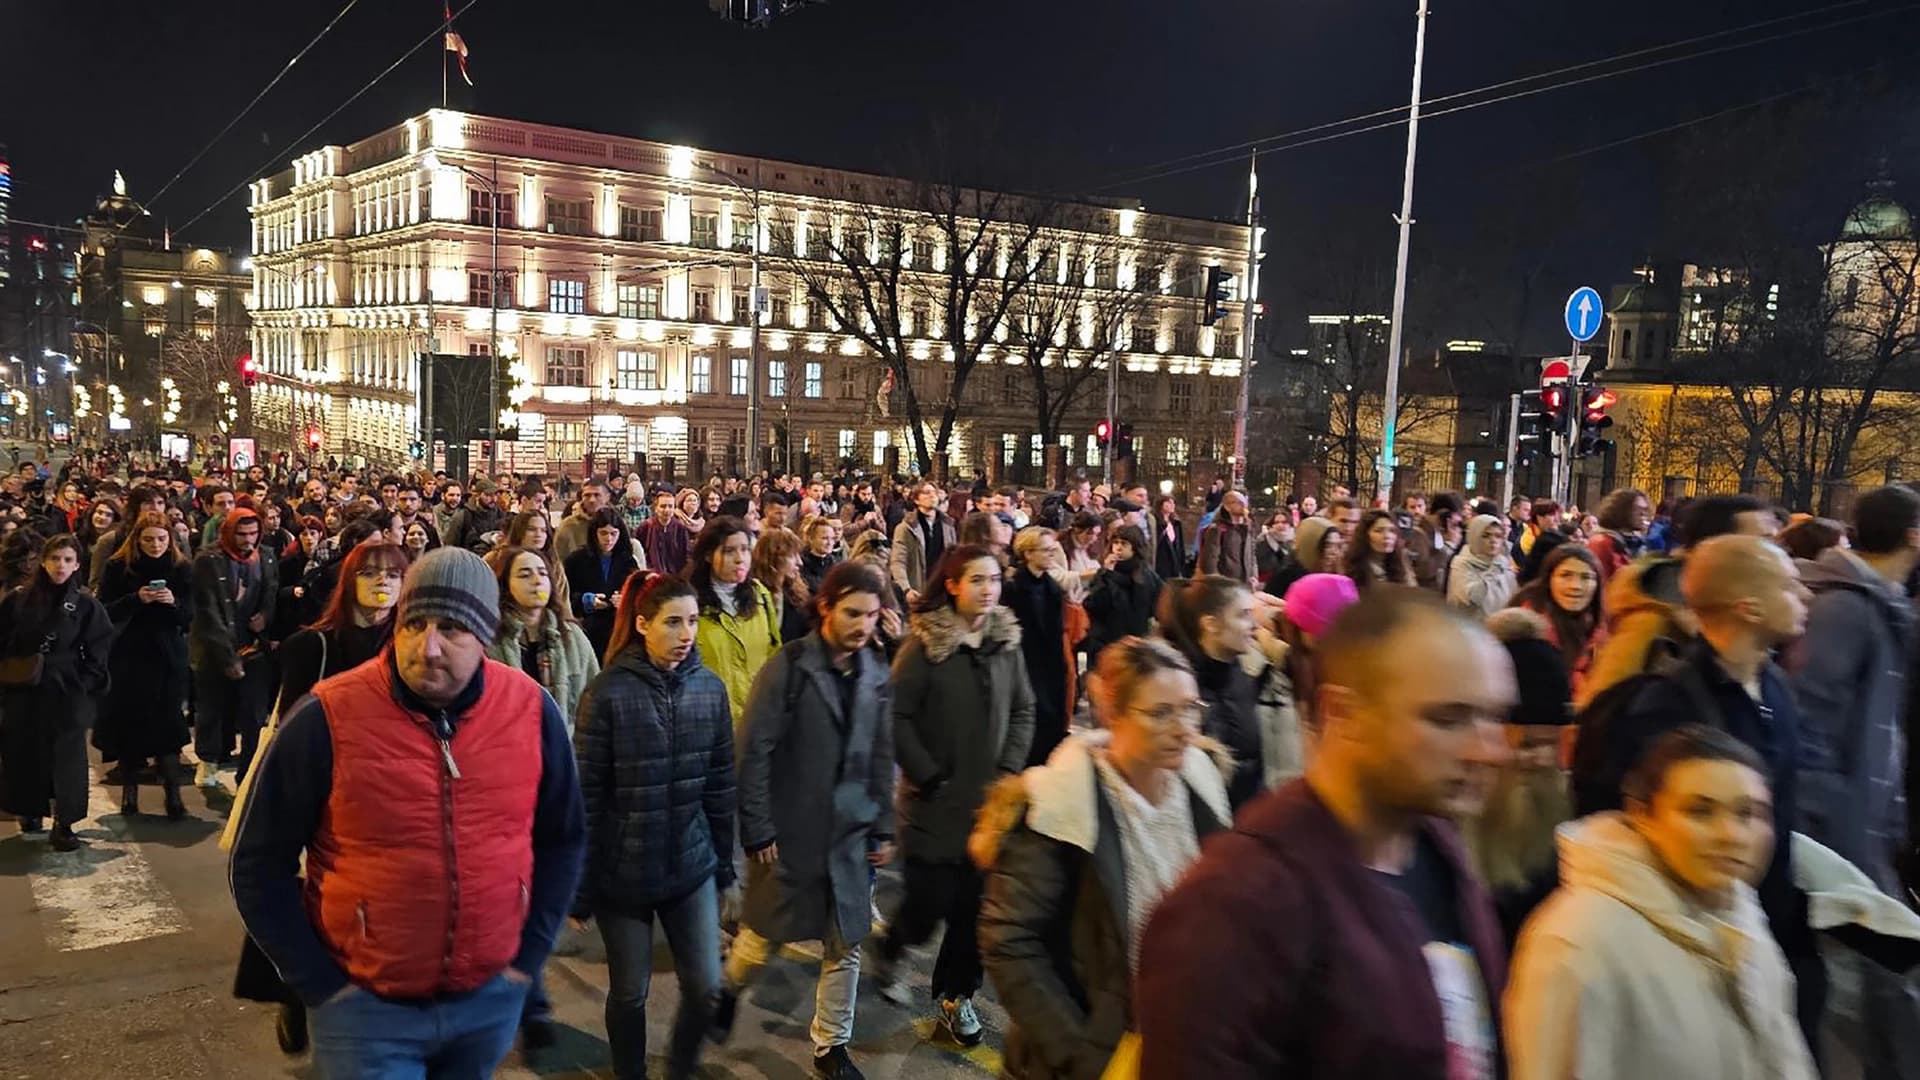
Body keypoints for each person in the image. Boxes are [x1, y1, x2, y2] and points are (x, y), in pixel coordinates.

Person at [229, 547, 586, 1079]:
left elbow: (563, 839)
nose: (428, 647)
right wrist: (319, 983)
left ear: (486, 636)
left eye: (452, 629)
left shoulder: (531, 710)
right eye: (414, 623)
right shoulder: (327, 715)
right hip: (366, 1011)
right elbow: (257, 862)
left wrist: (526, 960)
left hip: (486, 1001)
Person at [1134, 587, 1514, 1079]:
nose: (1489, 750)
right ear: (1343, 713)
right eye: (1448, 718)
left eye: (1494, 717)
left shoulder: (1438, 847)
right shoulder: (1237, 903)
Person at [1573, 534, 1824, 1046]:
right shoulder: (1669, 709)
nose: (1806, 596)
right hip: (1705, 949)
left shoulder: (1775, 688)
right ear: (1749, 607)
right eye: (1791, 585)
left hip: (1772, 939)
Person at [974, 636, 1232, 1080]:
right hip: (1094, 1054)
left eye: (1191, 708)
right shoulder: (1060, 807)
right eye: (1161, 713)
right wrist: (1081, 1054)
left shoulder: (1202, 790)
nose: (1184, 728)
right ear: (1114, 712)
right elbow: (1010, 942)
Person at [1505, 725, 1815, 1080]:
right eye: (1700, 812)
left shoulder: (1742, 918)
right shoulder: (1580, 940)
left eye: (1748, 814)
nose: (1731, 835)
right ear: (1643, 815)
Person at [717, 563, 896, 1080]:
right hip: (791, 833)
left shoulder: (875, 671)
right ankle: (728, 987)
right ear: (826, 609)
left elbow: (883, 754)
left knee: (847, 941)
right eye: (852, 613)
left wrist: (883, 822)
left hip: (850, 836)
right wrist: (757, 829)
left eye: (871, 614)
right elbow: (753, 753)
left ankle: (831, 1046)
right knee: (764, 934)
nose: (863, 625)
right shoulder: (789, 668)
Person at [233, 537, 406, 1056]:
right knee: (307, 894)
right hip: (321, 787)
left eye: (393, 575)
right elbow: (291, 727)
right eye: (371, 574)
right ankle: (293, 988)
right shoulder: (314, 645)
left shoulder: (409, 644)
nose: (382, 584)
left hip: (387, 788)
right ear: (348, 581)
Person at [872, 545, 1034, 1048]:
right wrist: (927, 773)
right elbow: (894, 716)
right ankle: (895, 943)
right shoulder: (925, 646)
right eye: (978, 580)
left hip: (990, 809)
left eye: (994, 580)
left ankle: (955, 995)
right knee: (929, 904)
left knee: (974, 913)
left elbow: (1025, 708)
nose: (989, 590)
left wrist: (1009, 769)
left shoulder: (1006, 641)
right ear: (953, 585)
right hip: (934, 806)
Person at [574, 573, 734, 1080]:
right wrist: (580, 886)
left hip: (691, 866)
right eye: (672, 622)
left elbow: (720, 785)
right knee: (629, 992)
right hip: (624, 876)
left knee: (707, 986)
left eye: (692, 621)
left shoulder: (710, 691)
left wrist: (724, 864)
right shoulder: (608, 694)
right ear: (642, 624)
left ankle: (681, 1068)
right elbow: (586, 798)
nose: (686, 633)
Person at [1785, 485, 1920, 1076]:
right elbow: (1810, 722)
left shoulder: (1881, 602)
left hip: (1866, 825)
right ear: (1913, 535)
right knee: (1883, 977)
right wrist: (1844, 824)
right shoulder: (1847, 607)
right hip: (1845, 833)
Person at [1465, 608, 1575, 946]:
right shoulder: (1448, 822)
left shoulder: (1574, 816)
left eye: (1549, 744)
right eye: (1526, 744)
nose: (1539, 759)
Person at [0, 535, 114, 850]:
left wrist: (86, 683)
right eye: (54, 559)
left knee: (68, 759)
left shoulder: (85, 604)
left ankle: (65, 822)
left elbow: (99, 648)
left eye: (67, 560)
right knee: (25, 753)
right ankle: (30, 809)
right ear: (43, 562)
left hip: (67, 690)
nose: (59, 566)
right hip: (24, 690)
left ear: (77, 564)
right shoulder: (17, 600)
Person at [94, 512, 193, 820]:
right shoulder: (117, 567)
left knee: (167, 725)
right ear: (136, 539)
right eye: (148, 539)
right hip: (129, 654)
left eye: (161, 539)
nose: (155, 545)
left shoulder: (180, 568)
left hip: (166, 654)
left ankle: (173, 794)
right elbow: (105, 611)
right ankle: (130, 791)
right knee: (130, 725)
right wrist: (136, 598)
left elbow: (189, 615)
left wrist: (172, 602)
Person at [188, 507, 278, 786]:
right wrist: (227, 656)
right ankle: (209, 760)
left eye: (253, 533)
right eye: (241, 534)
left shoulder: (265, 555)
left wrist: (265, 616)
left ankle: (248, 769)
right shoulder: (209, 560)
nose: (247, 540)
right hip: (216, 645)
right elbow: (207, 611)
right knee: (212, 707)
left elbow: (271, 590)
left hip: (253, 646)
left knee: (253, 713)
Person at [1157, 575, 1263, 810]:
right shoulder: (1176, 689)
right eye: (1243, 614)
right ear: (1211, 624)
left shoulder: (1243, 673)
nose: (1255, 626)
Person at [490, 546, 599, 735]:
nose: (537, 581)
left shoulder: (571, 636)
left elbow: (595, 699)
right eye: (525, 575)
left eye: (543, 574)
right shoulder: (490, 640)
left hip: (565, 751)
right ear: (505, 584)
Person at [685, 515, 782, 730]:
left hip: (756, 722)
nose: (740, 559)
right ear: (709, 555)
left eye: (745, 549)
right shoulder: (690, 603)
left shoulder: (760, 596)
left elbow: (774, 654)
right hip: (707, 724)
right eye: (729, 551)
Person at [1003, 528, 1080, 770]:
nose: (1051, 555)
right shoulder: (1013, 589)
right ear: (1028, 553)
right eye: (1046, 551)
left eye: (1053, 550)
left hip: (1051, 670)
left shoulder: (1052, 589)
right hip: (1025, 668)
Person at [1510, 543, 1606, 700]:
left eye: (1586, 577)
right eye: (1566, 575)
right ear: (1548, 580)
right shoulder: (1526, 636)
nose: (1576, 586)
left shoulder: (1601, 626)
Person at [1083, 523, 1165, 668]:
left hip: (1135, 643)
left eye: (1124, 543)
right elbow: (1094, 604)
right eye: (1115, 542)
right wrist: (1106, 574)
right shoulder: (1104, 574)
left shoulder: (1146, 575)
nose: (1118, 548)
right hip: (1105, 643)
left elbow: (1159, 604)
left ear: (1135, 547)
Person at [563, 508, 640, 660]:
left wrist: (625, 599)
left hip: (618, 631)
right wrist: (586, 600)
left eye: (613, 534)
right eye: (603, 533)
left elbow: (638, 595)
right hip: (586, 630)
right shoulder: (576, 560)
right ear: (594, 533)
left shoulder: (628, 561)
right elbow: (564, 596)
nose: (609, 539)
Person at [890, 480, 955, 607]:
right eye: (926, 493)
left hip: (943, 590)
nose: (932, 496)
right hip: (919, 588)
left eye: (934, 492)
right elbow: (898, 561)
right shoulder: (906, 528)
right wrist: (906, 589)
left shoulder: (948, 525)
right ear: (917, 500)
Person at [752, 526, 815, 645]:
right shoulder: (751, 596)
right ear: (773, 559)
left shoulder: (799, 597)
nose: (800, 562)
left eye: (799, 555)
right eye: (792, 556)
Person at [1264, 515, 1347, 601]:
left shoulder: (1334, 571)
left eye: (1337, 545)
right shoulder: (1287, 574)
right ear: (1310, 544)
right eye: (1328, 545)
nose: (1334, 552)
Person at [1447, 514, 1515, 617]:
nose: (1493, 541)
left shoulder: (1503, 564)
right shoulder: (1461, 563)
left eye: (1498, 536)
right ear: (1474, 537)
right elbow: (1472, 598)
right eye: (1485, 536)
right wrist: (1493, 571)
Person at [1587, 488, 1651, 587]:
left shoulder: (1637, 543)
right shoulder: (1601, 543)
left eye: (1645, 509)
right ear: (1621, 511)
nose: (1643, 514)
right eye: (1636, 509)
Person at [1197, 489, 1258, 585]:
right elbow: (1210, 561)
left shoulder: (1248, 528)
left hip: (1246, 584)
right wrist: (1217, 584)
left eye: (1244, 502)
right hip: (1226, 585)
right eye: (1239, 502)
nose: (1244, 505)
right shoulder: (1218, 529)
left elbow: (1252, 555)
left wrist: (1254, 575)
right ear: (1227, 507)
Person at [1344, 508, 1413, 590]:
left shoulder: (1401, 562)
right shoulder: (1352, 565)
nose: (1387, 536)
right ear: (1365, 535)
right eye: (1379, 531)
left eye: (1392, 531)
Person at [1408, 492, 1464, 592]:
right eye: (1454, 518)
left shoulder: (1441, 532)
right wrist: (1447, 546)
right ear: (1443, 514)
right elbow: (1423, 571)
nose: (1457, 524)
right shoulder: (1419, 534)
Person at [635, 487, 693, 575]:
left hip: (674, 577)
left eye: (670, 506)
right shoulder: (646, 526)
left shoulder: (680, 528)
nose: (667, 510)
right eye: (663, 506)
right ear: (656, 508)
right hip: (652, 576)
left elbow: (685, 555)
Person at [552, 477, 610, 563]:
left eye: (597, 495)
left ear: (607, 497)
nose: (592, 500)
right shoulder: (567, 526)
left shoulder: (617, 523)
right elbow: (558, 560)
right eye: (587, 495)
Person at [798, 514, 843, 594]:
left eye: (832, 538)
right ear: (811, 539)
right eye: (825, 538)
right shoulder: (800, 564)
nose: (829, 543)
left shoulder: (835, 564)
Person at [1150, 494, 1187, 580]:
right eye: (1169, 502)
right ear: (1160, 504)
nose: (1172, 505)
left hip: (1175, 564)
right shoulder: (1155, 522)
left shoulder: (1176, 523)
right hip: (1161, 563)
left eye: (1173, 503)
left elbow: (1180, 546)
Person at [1254, 510, 1295, 582]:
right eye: (1276, 522)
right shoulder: (1263, 540)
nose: (1280, 525)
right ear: (1271, 525)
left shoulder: (1294, 540)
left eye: (1284, 522)